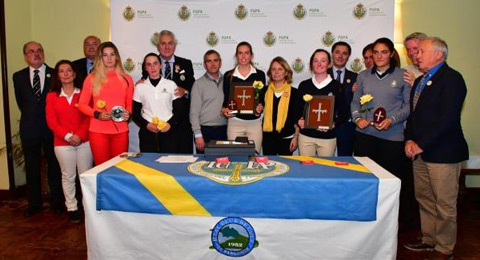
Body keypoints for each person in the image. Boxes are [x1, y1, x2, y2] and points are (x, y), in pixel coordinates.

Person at [404, 37, 468, 260]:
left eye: (421, 51)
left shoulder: (452, 79)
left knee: (444, 204)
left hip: (443, 153)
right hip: (419, 152)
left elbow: (448, 119)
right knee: (424, 198)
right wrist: (409, 140)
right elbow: (414, 117)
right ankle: (429, 239)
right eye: (416, 52)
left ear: (439, 54)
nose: (416, 55)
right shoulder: (421, 80)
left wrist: (421, 144)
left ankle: (444, 248)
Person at [351, 37, 412, 219]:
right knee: (364, 178)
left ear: (392, 54)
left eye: (384, 52)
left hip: (391, 138)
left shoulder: (403, 75)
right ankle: (364, 214)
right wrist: (357, 119)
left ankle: (388, 218)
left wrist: (392, 119)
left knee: (389, 181)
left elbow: (409, 106)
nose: (379, 56)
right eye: (375, 52)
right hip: (364, 135)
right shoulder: (363, 76)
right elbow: (355, 103)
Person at [13, 41, 64, 217]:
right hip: (29, 128)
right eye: (31, 51)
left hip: (51, 128)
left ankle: (57, 201)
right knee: (32, 166)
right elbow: (22, 103)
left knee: (54, 165)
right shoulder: (17, 77)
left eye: (39, 51)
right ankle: (34, 203)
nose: (36, 54)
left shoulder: (54, 75)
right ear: (25, 56)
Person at [45, 60, 92, 223]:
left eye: (69, 70)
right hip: (62, 144)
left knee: (85, 175)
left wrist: (79, 135)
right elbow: (51, 121)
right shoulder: (52, 96)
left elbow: (88, 117)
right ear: (57, 75)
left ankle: (88, 206)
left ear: (74, 73)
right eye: (61, 71)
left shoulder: (84, 93)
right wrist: (67, 136)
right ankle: (72, 207)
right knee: (68, 176)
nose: (66, 74)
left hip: (84, 142)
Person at [78, 41, 134, 165]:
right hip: (98, 132)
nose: (109, 58)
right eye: (105, 55)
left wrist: (128, 113)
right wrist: (97, 114)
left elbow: (129, 104)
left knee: (120, 168)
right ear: (100, 58)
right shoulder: (91, 78)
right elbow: (82, 105)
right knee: (101, 168)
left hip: (121, 131)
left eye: (112, 54)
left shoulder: (127, 79)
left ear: (117, 57)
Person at [296, 49, 348, 157]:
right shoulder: (304, 85)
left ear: (329, 64)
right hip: (306, 137)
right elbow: (296, 109)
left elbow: (344, 112)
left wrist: (333, 124)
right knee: (305, 170)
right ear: (311, 64)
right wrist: (299, 120)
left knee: (325, 171)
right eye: (315, 61)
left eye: (323, 61)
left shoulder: (337, 86)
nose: (319, 64)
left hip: (327, 138)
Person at [132, 53, 187, 153]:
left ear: (160, 65)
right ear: (145, 68)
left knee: (168, 166)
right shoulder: (140, 87)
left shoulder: (171, 84)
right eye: (149, 64)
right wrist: (146, 125)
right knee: (149, 166)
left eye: (155, 63)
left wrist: (169, 124)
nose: (152, 67)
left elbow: (180, 111)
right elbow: (135, 114)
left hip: (169, 132)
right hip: (147, 133)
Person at [221, 41, 266, 154]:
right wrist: (224, 110)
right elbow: (226, 100)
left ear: (252, 55)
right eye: (240, 53)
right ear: (236, 56)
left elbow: (261, 99)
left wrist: (260, 107)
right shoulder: (228, 76)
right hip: (235, 122)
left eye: (246, 53)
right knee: (235, 157)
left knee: (254, 157)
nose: (243, 56)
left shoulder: (260, 75)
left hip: (254, 123)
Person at [156, 30, 194, 154]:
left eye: (170, 43)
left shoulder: (186, 64)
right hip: (160, 121)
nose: (167, 47)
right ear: (158, 46)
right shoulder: (151, 63)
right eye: (163, 43)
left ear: (175, 46)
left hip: (182, 122)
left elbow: (193, 87)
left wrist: (186, 91)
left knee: (184, 159)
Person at [189, 50, 227, 153]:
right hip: (205, 132)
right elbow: (194, 112)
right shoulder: (198, 84)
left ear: (220, 63)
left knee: (225, 166)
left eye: (215, 60)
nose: (213, 64)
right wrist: (198, 134)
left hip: (225, 131)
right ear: (205, 65)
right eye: (209, 61)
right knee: (204, 166)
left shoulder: (228, 81)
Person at [262, 56, 299, 155]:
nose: (276, 72)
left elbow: (297, 118)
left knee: (287, 168)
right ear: (270, 72)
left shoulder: (295, 93)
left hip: (287, 138)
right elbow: (258, 113)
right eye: (273, 69)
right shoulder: (264, 91)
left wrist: (296, 137)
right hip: (268, 138)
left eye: (280, 69)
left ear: (286, 72)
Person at [329, 41, 357, 156]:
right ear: (332, 54)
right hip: (327, 124)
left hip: (347, 126)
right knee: (325, 159)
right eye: (337, 52)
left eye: (344, 53)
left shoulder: (355, 77)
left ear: (348, 56)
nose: (340, 56)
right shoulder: (322, 74)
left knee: (345, 160)